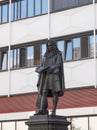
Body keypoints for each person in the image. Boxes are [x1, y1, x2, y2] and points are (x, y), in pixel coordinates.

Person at [35, 39, 65, 115]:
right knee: (44, 92)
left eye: (51, 45)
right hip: (46, 77)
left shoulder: (58, 54)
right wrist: (39, 69)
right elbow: (42, 65)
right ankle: (42, 109)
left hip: (54, 76)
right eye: (48, 46)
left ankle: (54, 110)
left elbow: (58, 64)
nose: (49, 47)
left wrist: (50, 67)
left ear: (54, 46)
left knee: (55, 93)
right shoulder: (45, 55)